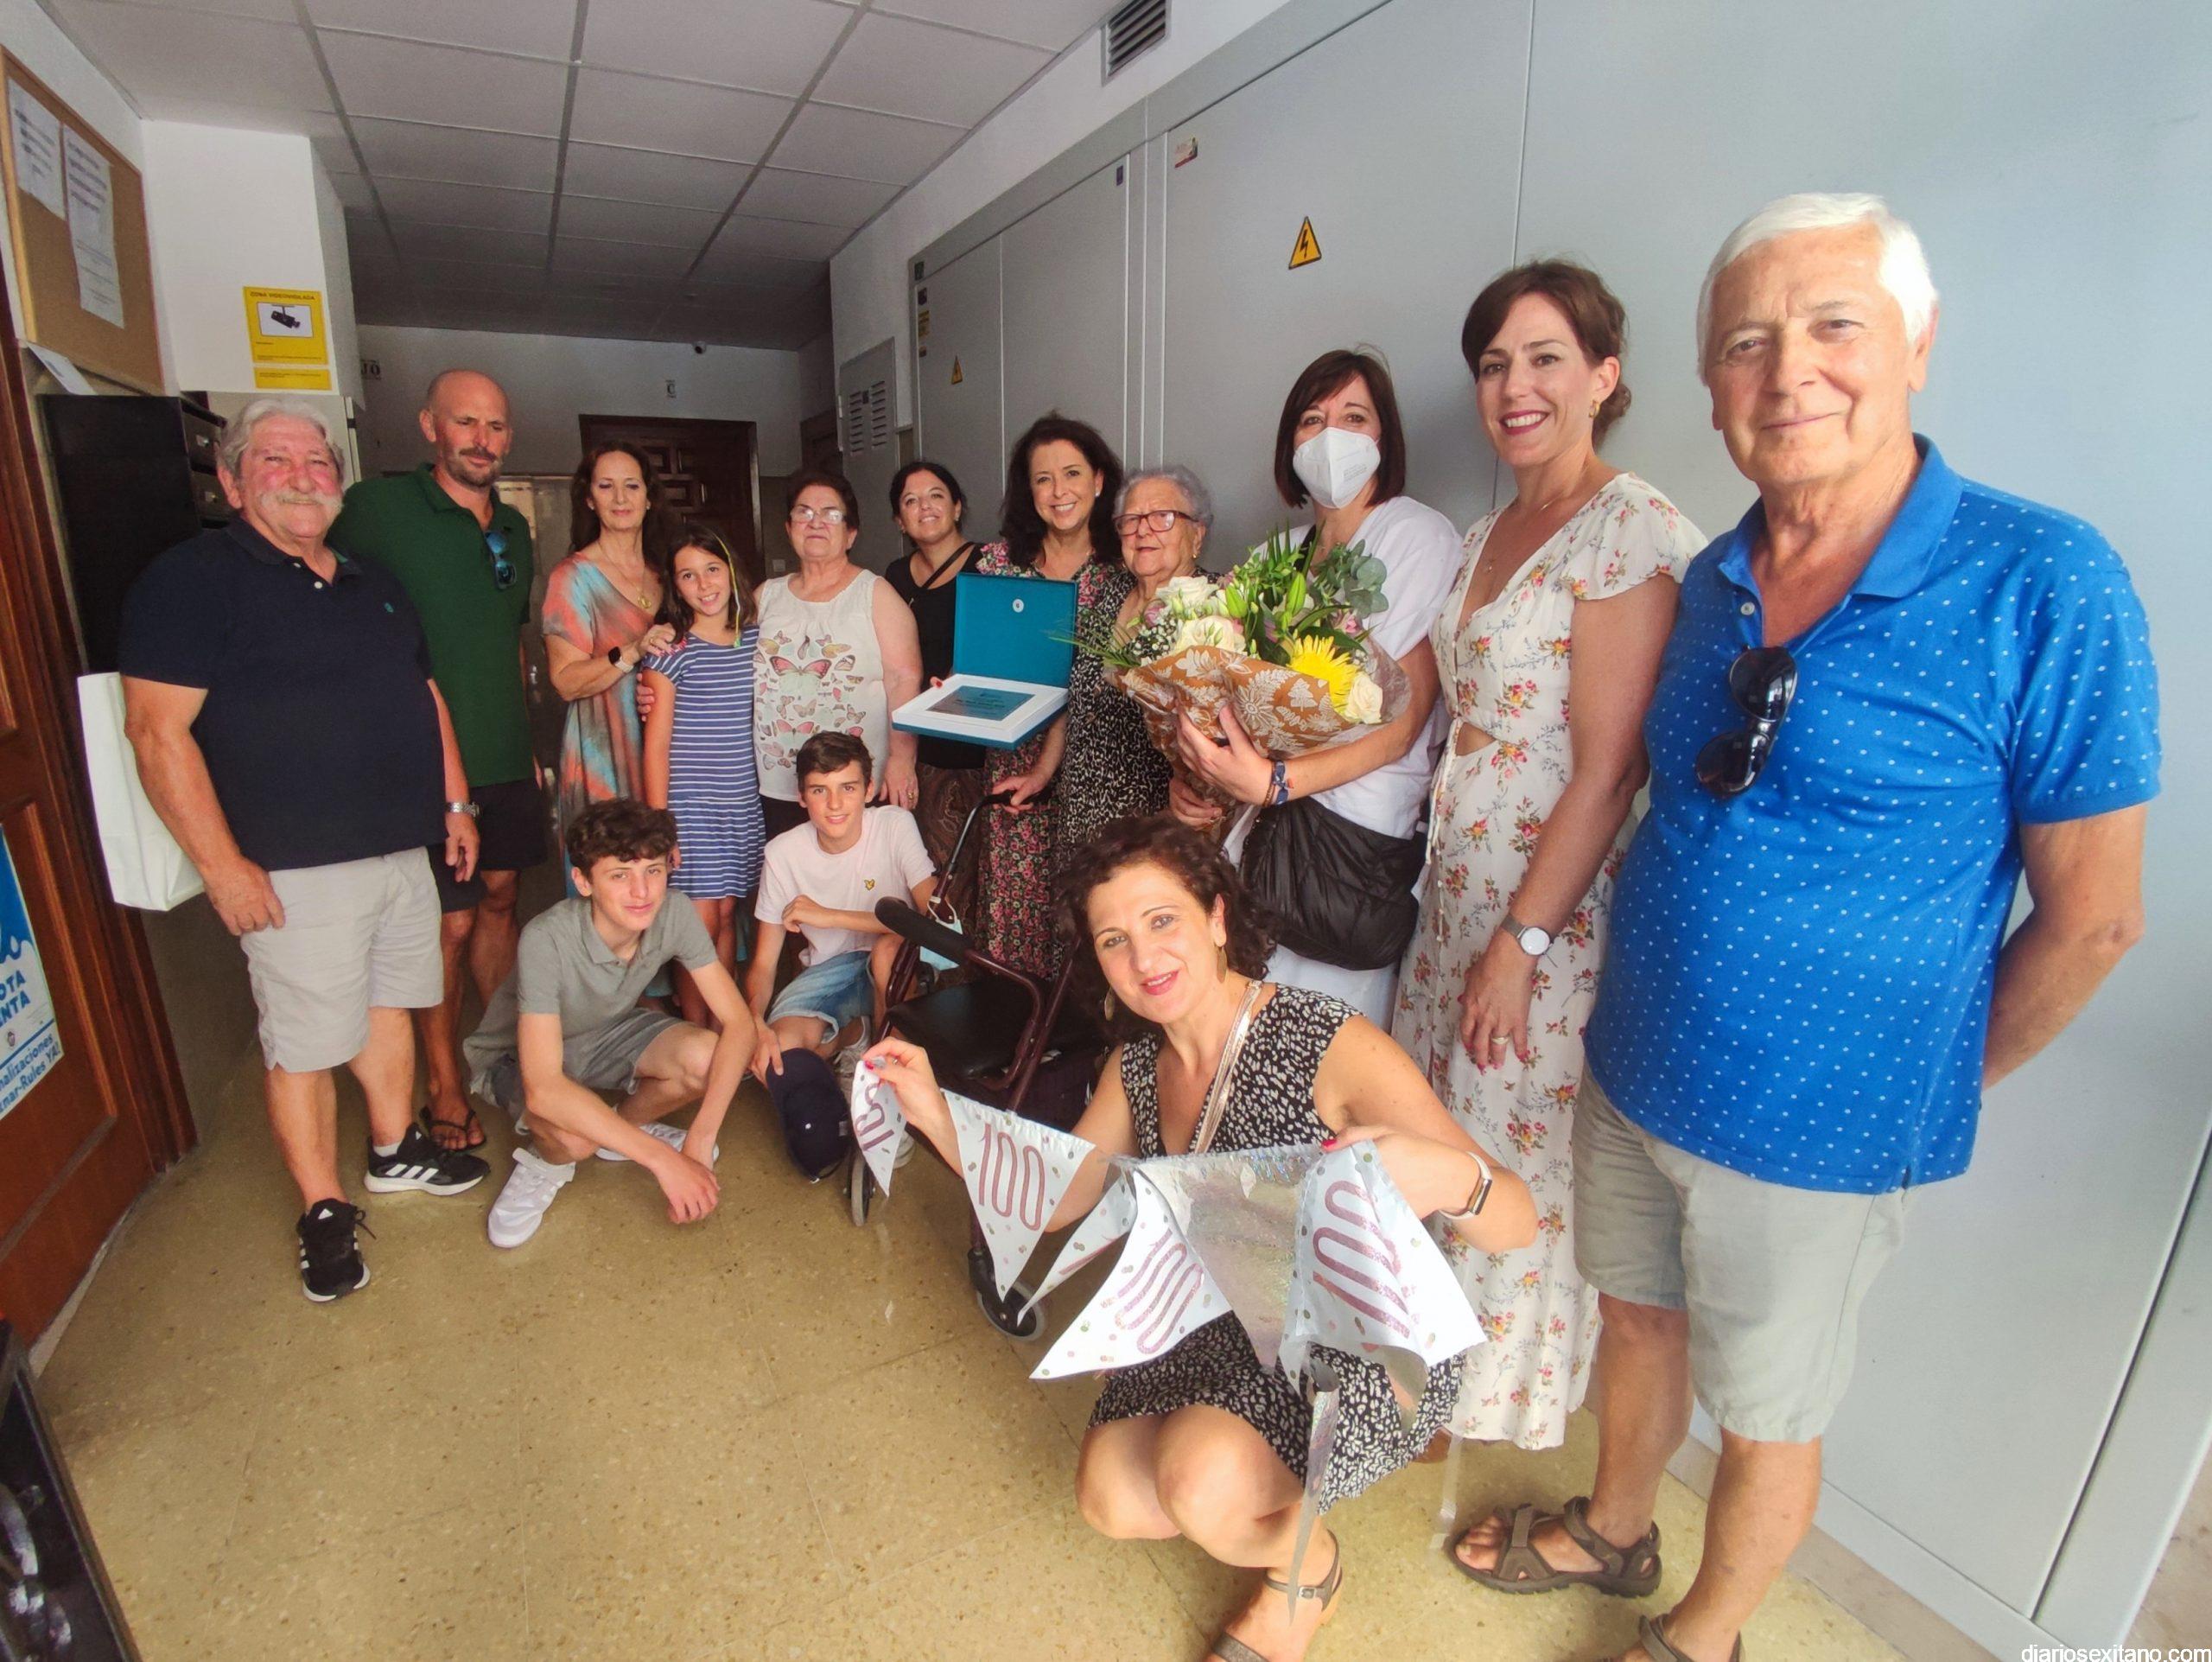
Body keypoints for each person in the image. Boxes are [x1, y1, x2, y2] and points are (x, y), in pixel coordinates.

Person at [1455, 194, 2158, 1662]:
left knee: (1769, 1411)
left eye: (1835, 326)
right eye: (1748, 343)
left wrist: (1919, 1082)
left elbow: (2095, 921)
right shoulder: (1714, 575)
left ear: (1917, 342)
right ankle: (1615, 1524)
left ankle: (1701, 1636)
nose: (1789, 375)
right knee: (1634, 1321)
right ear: (1710, 382)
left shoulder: (2044, 579)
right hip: (1631, 1062)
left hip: (1819, 1124)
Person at [864, 817, 1536, 1662]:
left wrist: (1452, 1179)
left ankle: (1308, 1572)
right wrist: (934, 1113)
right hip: (1224, 1309)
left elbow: (1517, 1219)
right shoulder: (1136, 1066)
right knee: (1112, 1497)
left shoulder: (1325, 1042)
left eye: (1163, 919)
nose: (1144, 957)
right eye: (1114, 939)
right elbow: (1061, 1198)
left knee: (1196, 1481)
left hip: (1356, 1339)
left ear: (1217, 917)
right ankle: (1262, 1507)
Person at [1389, 264, 1705, 1458]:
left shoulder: (1628, 530)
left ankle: (1484, 1401)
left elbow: (1609, 772)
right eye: (1493, 364)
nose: (1513, 386)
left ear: (1604, 377)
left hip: (1545, 921)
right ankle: (1420, 1378)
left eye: (1544, 359)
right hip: (1453, 898)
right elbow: (1432, 704)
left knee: (1504, 1146)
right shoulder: (1485, 533)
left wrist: (1518, 947)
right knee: (1439, 1133)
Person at [118, 398, 487, 1302]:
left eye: (317, 461)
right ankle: (323, 1209)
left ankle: (395, 1150)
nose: (301, 477)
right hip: (292, 865)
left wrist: (454, 802)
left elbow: (424, 695)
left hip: (399, 846)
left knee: (389, 1004)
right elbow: (156, 733)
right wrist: (223, 866)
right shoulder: (192, 580)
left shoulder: (371, 580)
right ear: (233, 480)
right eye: (274, 460)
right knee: (305, 1044)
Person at [1170, 350, 1459, 1026]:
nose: (1332, 436)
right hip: (1261, 830)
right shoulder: (1278, 554)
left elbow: (1402, 725)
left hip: (1345, 842)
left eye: (1354, 418)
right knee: (1246, 1018)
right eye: (1312, 420)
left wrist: (1276, 782)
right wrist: (1204, 774)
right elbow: (1231, 692)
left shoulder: (1416, 537)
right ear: (1290, 442)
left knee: (1327, 1036)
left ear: (1384, 436)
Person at [329, 367, 542, 1153]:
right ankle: (444, 1081)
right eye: (466, 422)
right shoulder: (375, 510)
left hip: (504, 749)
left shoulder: (513, 528)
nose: (482, 440)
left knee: (501, 897)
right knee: (446, 922)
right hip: (422, 757)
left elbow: (505, 639)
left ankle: (508, 1054)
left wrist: (528, 744)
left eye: (496, 426)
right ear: (430, 426)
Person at [463, 799, 761, 1248]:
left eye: (653, 871)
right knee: (573, 1140)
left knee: (707, 1056)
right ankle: (546, 1161)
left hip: (607, 1031)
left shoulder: (675, 912)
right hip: (519, 1056)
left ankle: (619, 1131)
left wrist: (700, 1139)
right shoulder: (546, 938)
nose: (642, 892)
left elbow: (739, 1023)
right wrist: (665, 1161)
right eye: (620, 875)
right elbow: (543, 1087)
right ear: (583, 882)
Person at [972, 414, 1128, 975]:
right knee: (1018, 901)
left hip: (1100, 768)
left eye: (1072, 473)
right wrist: (960, 686)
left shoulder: (1125, 568)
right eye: (1043, 478)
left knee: (1089, 901)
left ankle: (1073, 1021)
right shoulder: (998, 564)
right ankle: (1016, 1012)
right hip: (1016, 755)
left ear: (1099, 480)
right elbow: (981, 655)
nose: (1058, 490)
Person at [746, 733, 937, 1179]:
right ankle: (854, 1040)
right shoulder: (782, 854)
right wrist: (754, 1022)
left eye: (847, 788)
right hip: (829, 973)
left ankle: (893, 1097)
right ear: (801, 797)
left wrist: (830, 915)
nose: (834, 804)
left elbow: (932, 919)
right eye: (820, 790)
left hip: (893, 964)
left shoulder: (894, 825)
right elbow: (763, 964)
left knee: (886, 952)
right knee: (777, 1057)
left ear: (868, 790)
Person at [752, 470, 923, 841]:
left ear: (851, 533)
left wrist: (902, 759)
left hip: (852, 785)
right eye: (803, 512)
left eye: (830, 514)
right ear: (789, 528)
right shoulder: (765, 596)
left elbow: (904, 680)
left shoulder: (875, 594)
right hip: (780, 783)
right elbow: (720, 653)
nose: (815, 522)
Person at [641, 523, 765, 1029]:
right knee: (699, 927)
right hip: (690, 808)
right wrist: (660, 827)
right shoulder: (670, 652)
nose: (704, 584)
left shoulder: (755, 640)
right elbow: (656, 747)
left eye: (712, 569)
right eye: (688, 575)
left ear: (731, 571)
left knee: (728, 917)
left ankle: (723, 1032)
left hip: (741, 803)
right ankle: (696, 1035)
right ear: (675, 586)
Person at [1053, 465, 1206, 851]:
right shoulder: (1109, 593)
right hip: (1079, 818)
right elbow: (1074, 700)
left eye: (1163, 517)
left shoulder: (1215, 607)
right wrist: (1041, 773)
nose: (1143, 530)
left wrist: (1201, 790)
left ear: (1197, 535)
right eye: (1131, 520)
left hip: (1157, 829)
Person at [542, 443, 676, 843]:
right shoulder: (572, 577)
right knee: (611, 866)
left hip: (666, 755)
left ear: (649, 498)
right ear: (589, 498)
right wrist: (631, 651)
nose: (620, 498)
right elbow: (566, 682)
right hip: (603, 753)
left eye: (632, 486)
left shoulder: (668, 572)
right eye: (606, 486)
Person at [882, 460, 986, 924]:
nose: (925, 506)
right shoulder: (893, 578)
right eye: (911, 500)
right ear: (899, 520)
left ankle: (985, 963)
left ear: (957, 506)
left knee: (988, 873)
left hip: (984, 747)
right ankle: (944, 964)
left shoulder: (991, 564)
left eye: (936, 495)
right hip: (922, 750)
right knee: (934, 874)